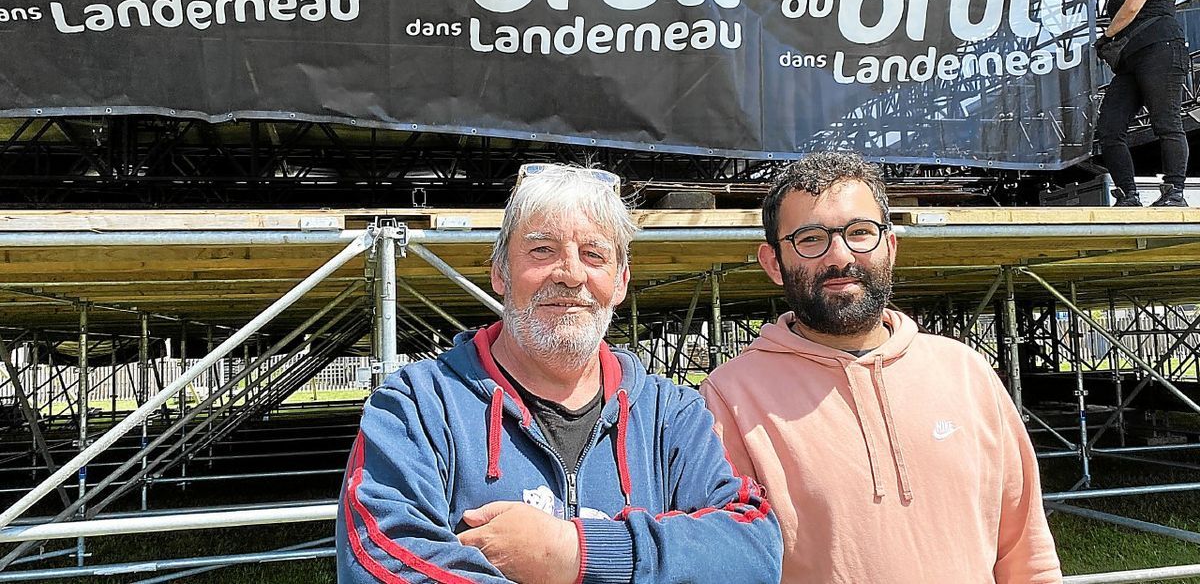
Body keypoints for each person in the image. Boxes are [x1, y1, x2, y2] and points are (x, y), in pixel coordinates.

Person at [337, 163, 781, 584]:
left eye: (593, 254)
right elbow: (380, 561)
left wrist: (577, 552)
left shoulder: (672, 415)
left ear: (621, 281)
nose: (570, 275)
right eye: (542, 249)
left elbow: (754, 552)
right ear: (500, 273)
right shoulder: (416, 406)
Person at [700, 151, 1062, 583]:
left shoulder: (967, 373)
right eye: (811, 239)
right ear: (774, 263)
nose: (840, 256)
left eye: (860, 233)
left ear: (890, 248)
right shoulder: (729, 399)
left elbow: (1025, 550)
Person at [1084, 0, 1189, 207]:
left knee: (1166, 121)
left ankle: (1175, 191)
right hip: (1131, 62)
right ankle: (1128, 194)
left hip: (1161, 51)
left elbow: (1132, 8)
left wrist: (1106, 36)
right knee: (1110, 127)